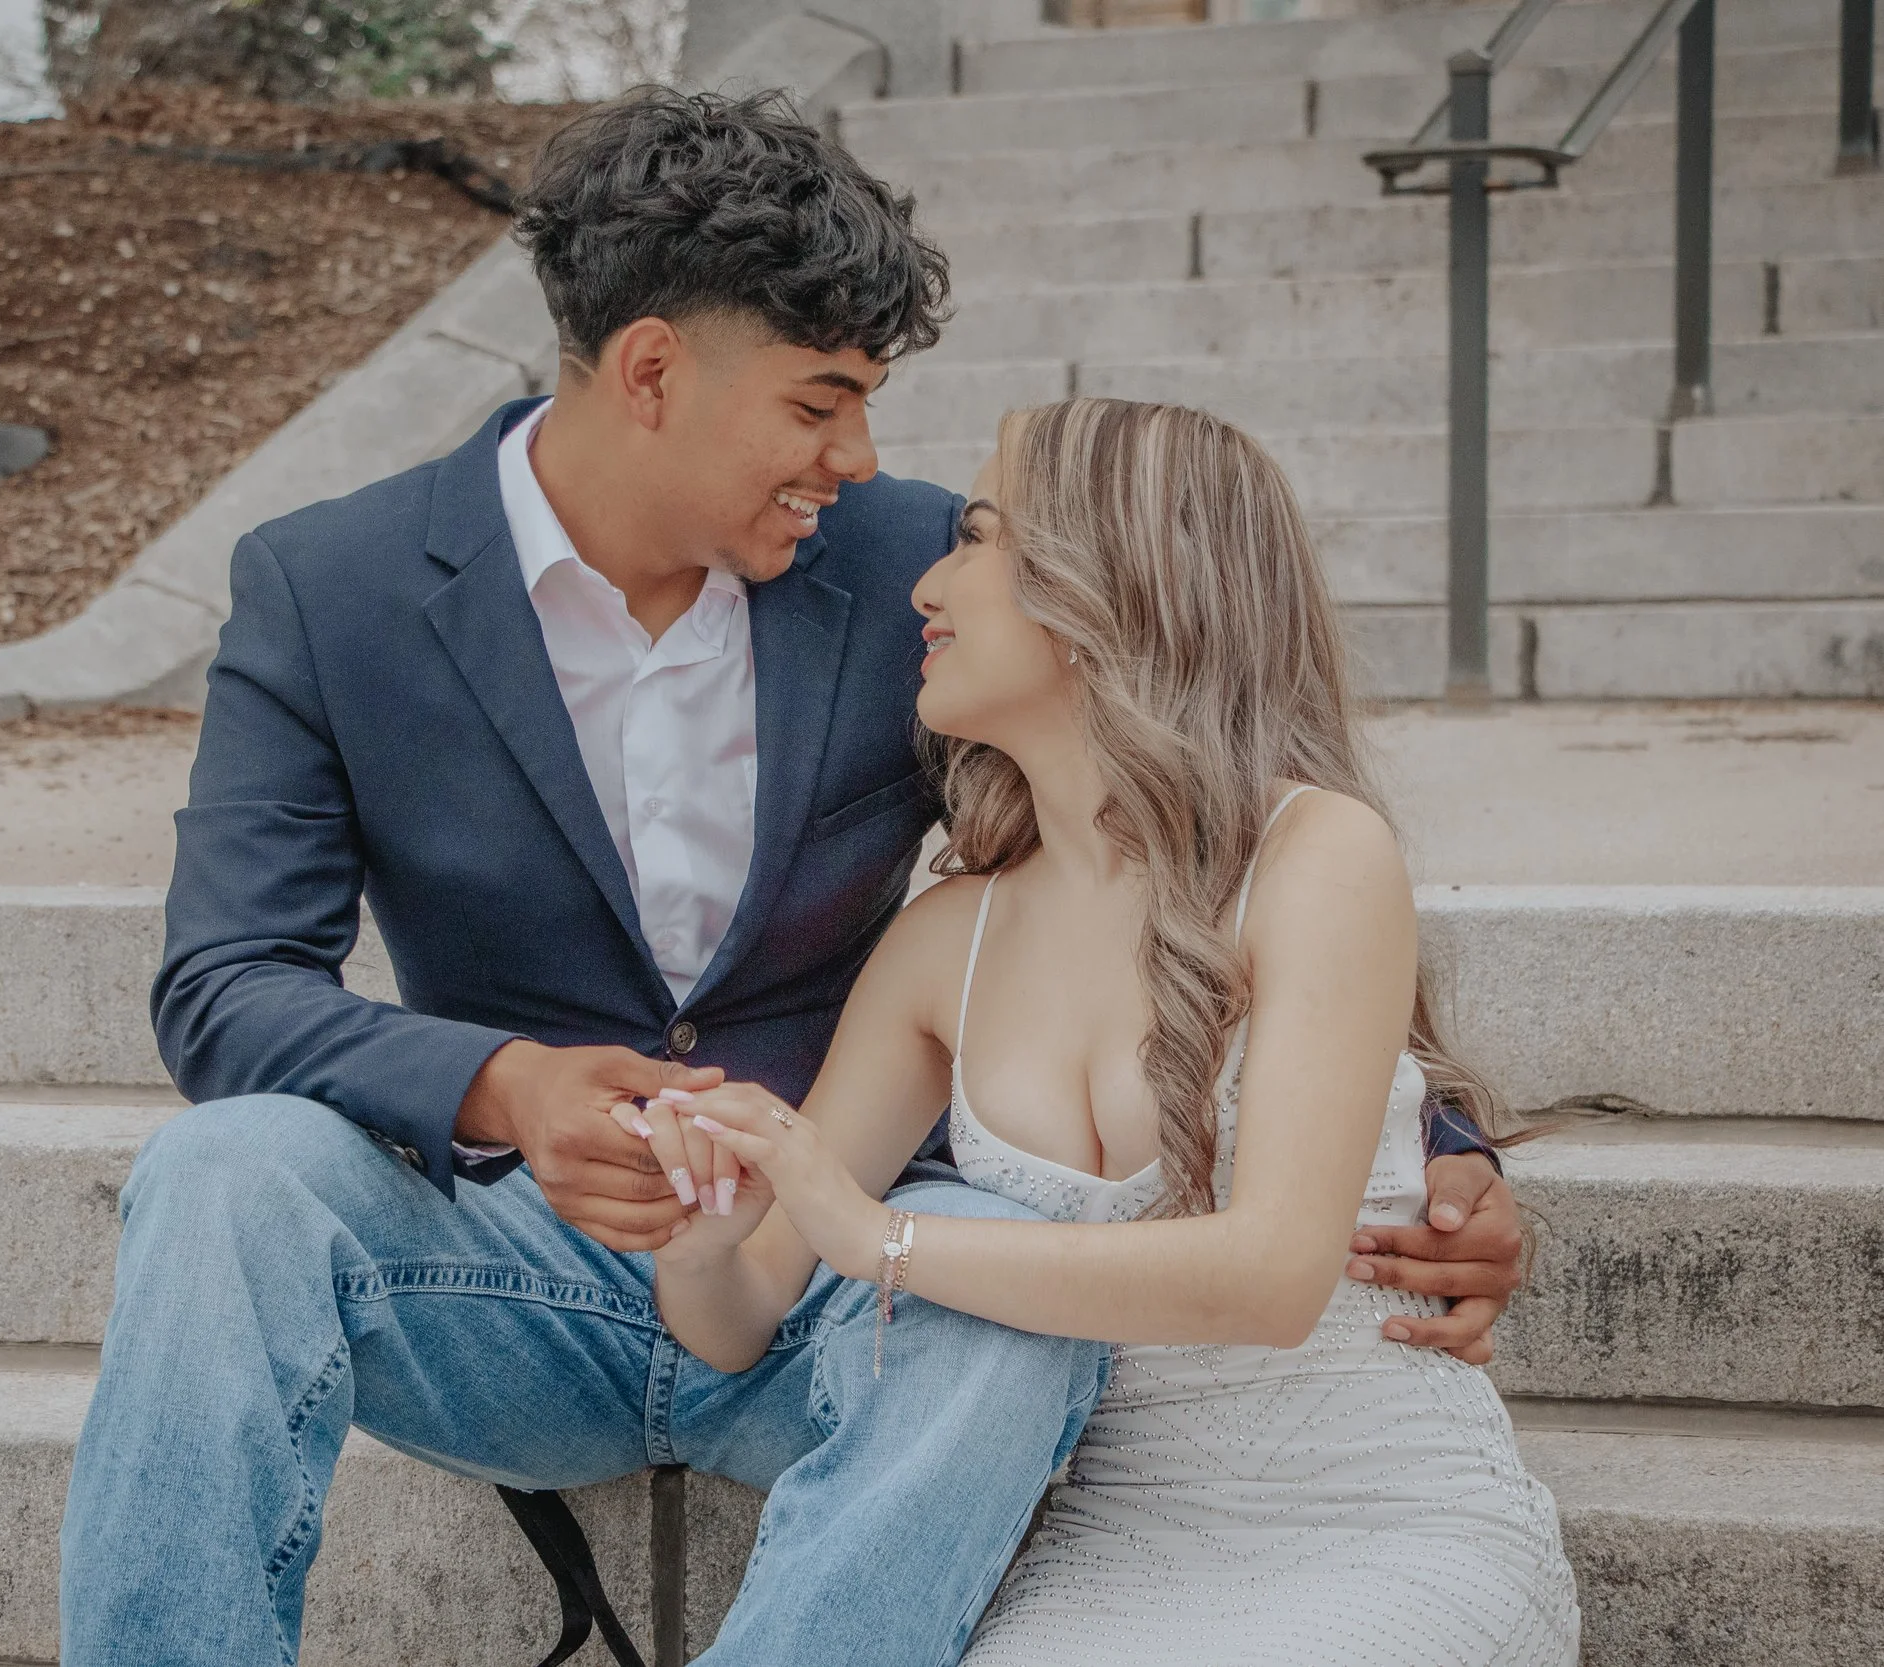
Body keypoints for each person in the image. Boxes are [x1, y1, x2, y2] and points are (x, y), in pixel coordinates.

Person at [58, 89, 1529, 1667]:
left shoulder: (912, 566)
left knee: (991, 1294)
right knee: (223, 1173)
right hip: (509, 1266)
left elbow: (1177, 827)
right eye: (821, 402)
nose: (862, 456)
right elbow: (225, 988)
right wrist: (510, 1086)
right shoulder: (329, 586)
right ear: (651, 372)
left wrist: (1425, 1150)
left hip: (848, 1267)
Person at [637, 397, 1579, 1665]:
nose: (928, 584)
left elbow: (1270, 1278)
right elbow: (745, 1307)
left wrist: (878, 1237)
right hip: (1113, 1545)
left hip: (1380, 1521)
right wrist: (702, 1236)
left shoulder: (1314, 854)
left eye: (979, 536)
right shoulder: (944, 940)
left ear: (1106, 587)